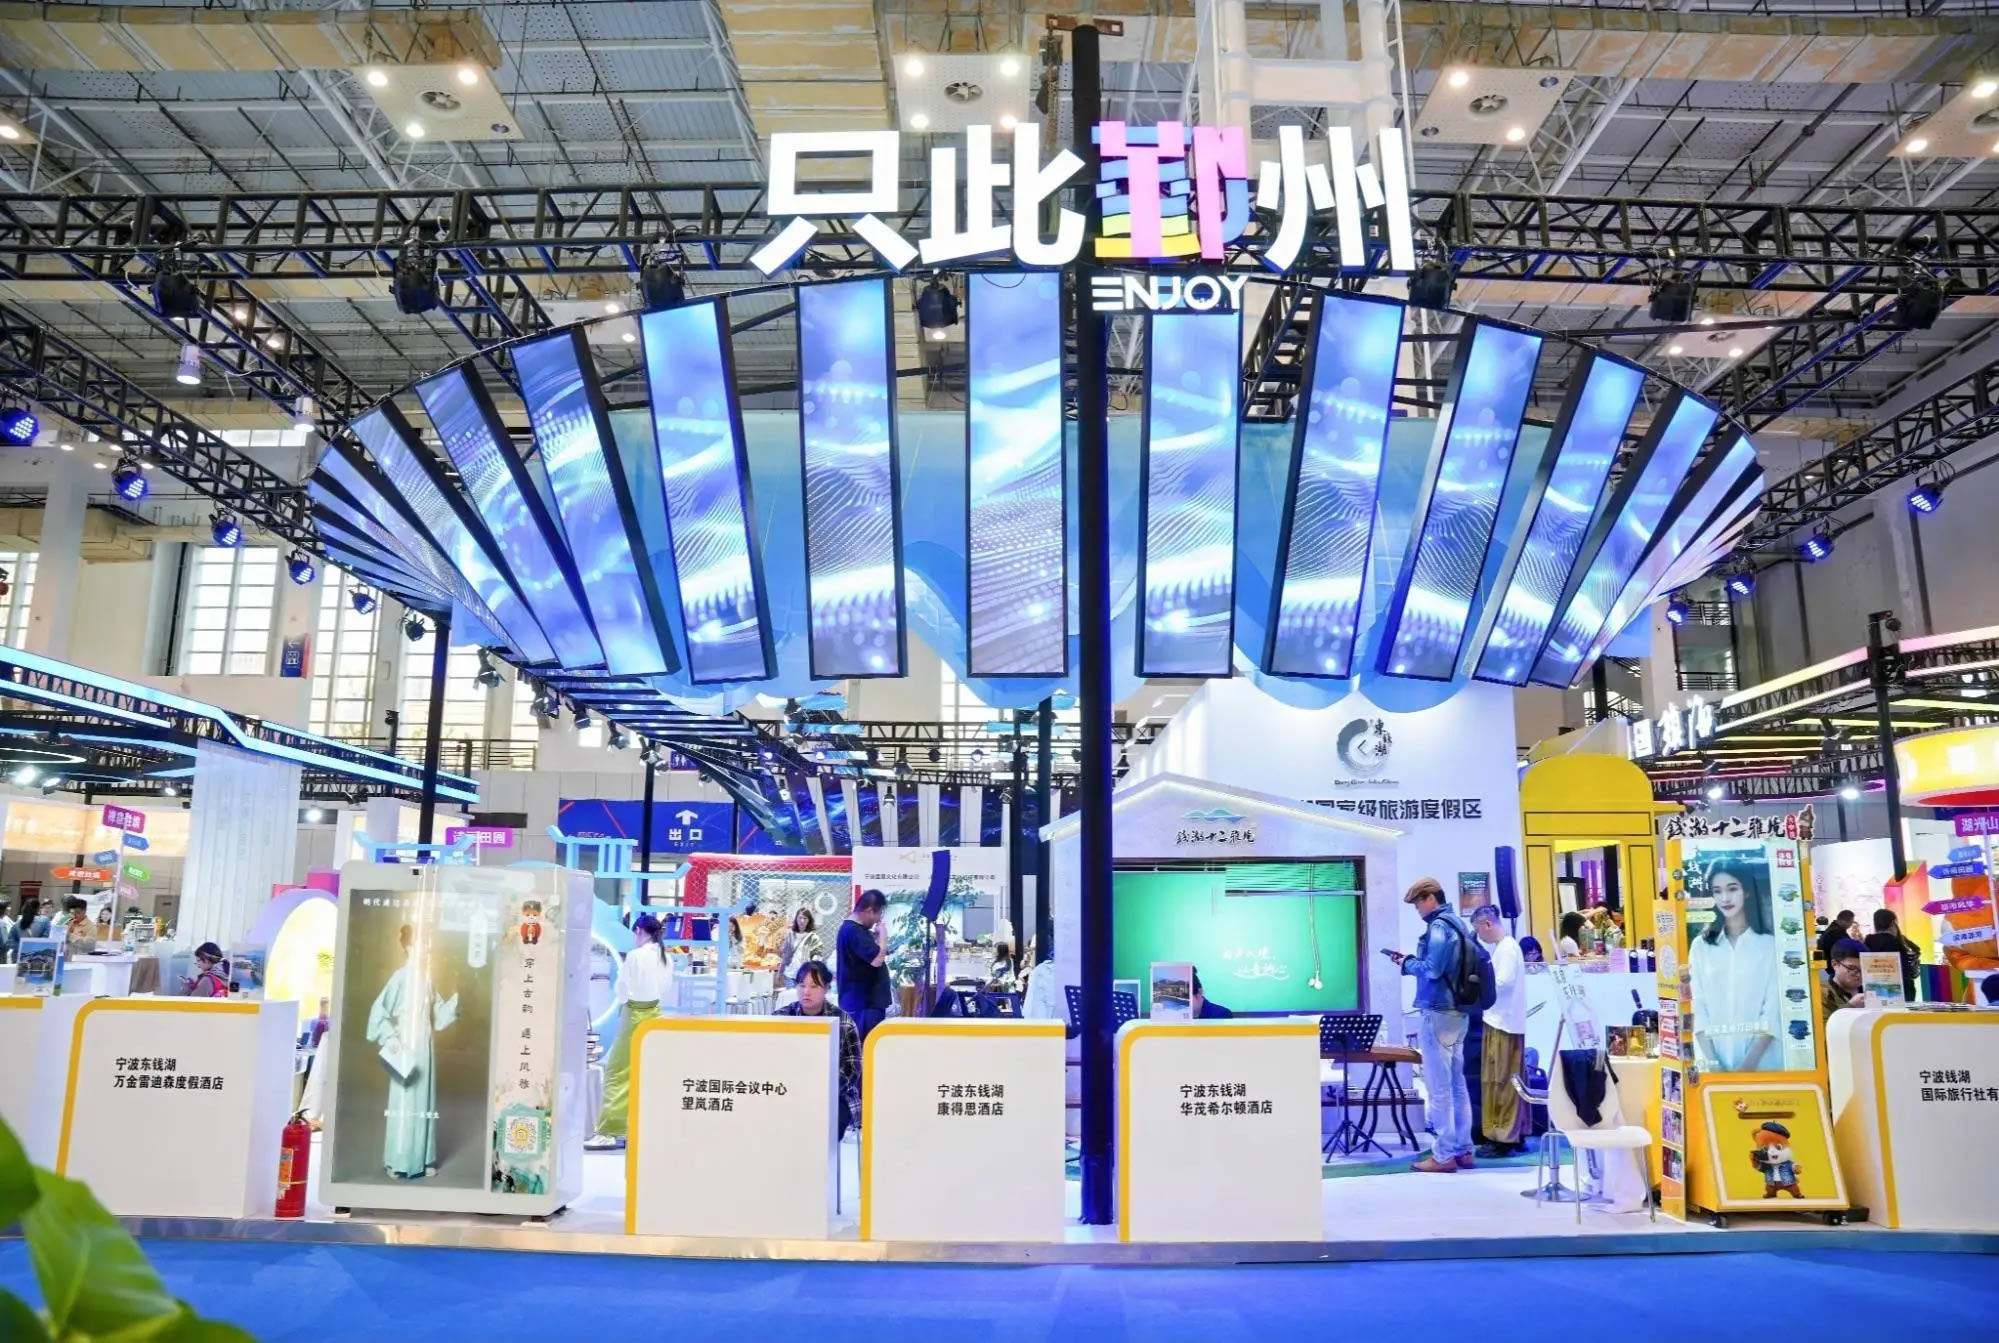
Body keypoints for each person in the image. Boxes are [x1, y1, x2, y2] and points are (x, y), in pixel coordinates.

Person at [1386, 877, 1476, 1173]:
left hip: (1437, 1013)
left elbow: (1433, 970)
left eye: (1417, 904)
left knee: (1439, 1088)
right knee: (1457, 1085)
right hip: (1459, 1012)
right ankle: (1464, 1149)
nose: (1417, 910)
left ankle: (1443, 1155)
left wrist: (1406, 964)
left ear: (1430, 898)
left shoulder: (1438, 927)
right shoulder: (1459, 924)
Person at [365, 923, 460, 1180]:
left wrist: (457, 999)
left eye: (428, 943)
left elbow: (438, 1015)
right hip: (406, 1044)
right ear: (409, 946)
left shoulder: (426, 978)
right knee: (404, 1101)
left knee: (424, 1100)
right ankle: (396, 1160)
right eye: (422, 942)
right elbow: (378, 1011)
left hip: (424, 1046)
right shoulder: (400, 977)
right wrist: (390, 1037)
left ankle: (423, 1159)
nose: (427, 947)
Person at [1688, 857, 1781, 1072]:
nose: (1725, 898)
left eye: (1732, 889)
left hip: (1762, 1065)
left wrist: (1746, 1068)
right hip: (1711, 1064)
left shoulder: (1769, 945)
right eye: (1717, 891)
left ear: (1746, 891)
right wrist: (1713, 1065)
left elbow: (1772, 1010)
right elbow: (1697, 1006)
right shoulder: (1701, 946)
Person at [590, 913, 675, 1149]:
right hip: (654, 1016)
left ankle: (609, 1130)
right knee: (645, 1072)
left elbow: (621, 989)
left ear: (638, 931)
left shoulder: (636, 956)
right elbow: (665, 987)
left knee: (618, 1073)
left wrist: (624, 1000)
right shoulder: (665, 957)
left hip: (634, 1014)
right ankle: (636, 1127)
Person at [775, 960, 862, 1135]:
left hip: (836, 1095)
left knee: (823, 1129)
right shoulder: (781, 1017)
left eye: (814, 986)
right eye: (802, 985)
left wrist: (820, 1089)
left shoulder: (844, 1021)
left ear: (826, 988)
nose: (806, 992)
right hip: (789, 1092)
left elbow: (853, 1069)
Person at [1472, 905, 1529, 1158]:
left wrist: (1478, 981)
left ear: (1487, 924)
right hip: (1505, 1022)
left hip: (1502, 1023)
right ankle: (1515, 1133)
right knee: (1511, 1080)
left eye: (1478, 930)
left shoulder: (1506, 948)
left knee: (1500, 1081)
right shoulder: (1507, 947)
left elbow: (1503, 982)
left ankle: (1502, 1138)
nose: (1479, 936)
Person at [836, 890, 892, 1041]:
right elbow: (877, 959)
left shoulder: (855, 930)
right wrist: (883, 935)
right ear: (869, 911)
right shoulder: (854, 931)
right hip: (864, 1005)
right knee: (866, 1046)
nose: (878, 920)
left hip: (864, 1004)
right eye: (878, 914)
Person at [1864, 909, 1920, 1003]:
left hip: (1874, 992)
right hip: (1900, 994)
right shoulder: (1897, 944)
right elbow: (1907, 973)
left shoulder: (1866, 943)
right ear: (1893, 923)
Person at [1821, 938, 1867, 1019]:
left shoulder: (1870, 990)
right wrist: (1850, 1006)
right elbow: (1823, 1025)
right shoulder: (1822, 994)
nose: (1859, 974)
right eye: (1852, 968)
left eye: (1864, 968)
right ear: (1835, 964)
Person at [779, 907, 822, 984]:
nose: (802, 921)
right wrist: (780, 971)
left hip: (805, 975)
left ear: (809, 920)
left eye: (805, 918)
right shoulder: (790, 935)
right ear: (796, 919)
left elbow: (817, 956)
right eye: (800, 918)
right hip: (790, 974)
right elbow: (785, 955)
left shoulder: (813, 937)